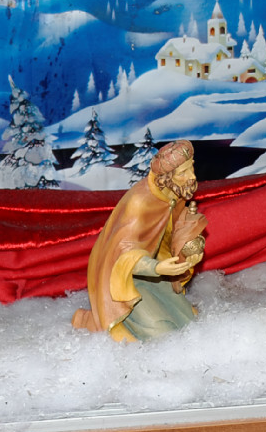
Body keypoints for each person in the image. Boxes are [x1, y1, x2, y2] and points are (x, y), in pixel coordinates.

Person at [72, 140, 204, 342]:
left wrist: (189, 249)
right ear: (166, 178)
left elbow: (171, 231)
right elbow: (122, 252)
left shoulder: (173, 194)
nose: (192, 177)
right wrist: (156, 268)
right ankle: (88, 320)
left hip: (155, 273)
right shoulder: (140, 203)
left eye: (191, 168)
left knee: (187, 322)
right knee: (162, 334)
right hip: (124, 278)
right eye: (183, 173)